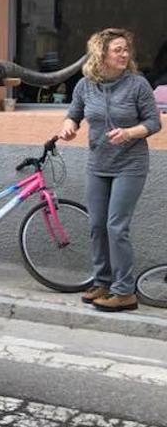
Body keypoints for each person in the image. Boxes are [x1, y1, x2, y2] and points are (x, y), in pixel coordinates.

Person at [58, 28, 161, 312]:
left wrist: (129, 133)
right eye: (118, 49)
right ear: (101, 53)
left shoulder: (137, 85)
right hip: (98, 164)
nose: (125, 54)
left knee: (116, 226)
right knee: (96, 225)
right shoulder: (85, 85)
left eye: (126, 50)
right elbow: (74, 114)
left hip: (130, 165)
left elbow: (154, 123)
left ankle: (124, 291)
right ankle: (102, 281)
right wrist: (69, 126)